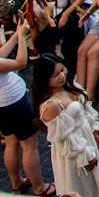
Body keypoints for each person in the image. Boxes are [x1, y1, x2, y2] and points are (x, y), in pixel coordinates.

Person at [30, 54, 99, 197]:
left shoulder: (71, 85)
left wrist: (95, 130)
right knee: (88, 184)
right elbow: (63, 137)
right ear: (44, 78)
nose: (61, 76)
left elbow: (85, 109)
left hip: (88, 133)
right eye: (55, 75)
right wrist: (85, 155)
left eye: (62, 70)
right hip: (75, 146)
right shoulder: (51, 105)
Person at [0, 17, 52, 197]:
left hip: (2, 106)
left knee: (11, 143)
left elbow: (1, 54)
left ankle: (17, 183)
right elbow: (20, 62)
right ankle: (39, 188)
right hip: (13, 101)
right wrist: (22, 37)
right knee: (29, 144)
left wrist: (15, 35)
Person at [28, 0, 88, 69]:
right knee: (40, 41)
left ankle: (73, 70)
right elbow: (46, 6)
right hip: (63, 15)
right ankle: (53, 65)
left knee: (67, 48)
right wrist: (49, 17)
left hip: (78, 14)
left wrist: (65, 14)